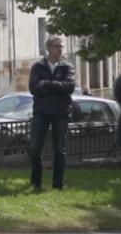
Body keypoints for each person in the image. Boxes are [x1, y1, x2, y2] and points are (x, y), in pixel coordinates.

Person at [28, 35, 75, 191]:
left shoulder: (67, 66)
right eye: (57, 46)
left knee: (60, 150)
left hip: (60, 112)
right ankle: (36, 182)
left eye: (61, 46)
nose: (60, 49)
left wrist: (47, 83)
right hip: (41, 111)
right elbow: (33, 88)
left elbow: (69, 87)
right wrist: (56, 87)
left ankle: (57, 184)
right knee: (35, 149)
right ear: (48, 48)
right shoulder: (38, 66)